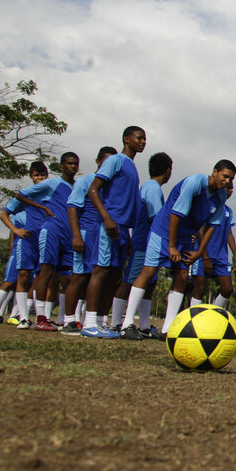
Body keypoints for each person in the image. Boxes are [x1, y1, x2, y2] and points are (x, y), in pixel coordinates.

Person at [119, 160, 236, 340]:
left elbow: (212, 226)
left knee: (181, 277)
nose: (227, 181)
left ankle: (168, 329)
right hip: (164, 231)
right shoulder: (194, 184)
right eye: (225, 176)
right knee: (148, 272)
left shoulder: (220, 196)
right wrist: (171, 246)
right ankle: (126, 324)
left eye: (231, 179)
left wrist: (198, 252)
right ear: (214, 172)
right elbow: (176, 214)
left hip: (185, 237)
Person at [82, 127, 145, 338]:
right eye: (139, 137)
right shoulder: (115, 160)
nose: (143, 142)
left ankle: (100, 322)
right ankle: (89, 322)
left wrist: (126, 235)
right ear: (126, 139)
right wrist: (107, 218)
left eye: (145, 138)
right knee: (100, 270)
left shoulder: (131, 166)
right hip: (109, 224)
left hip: (122, 228)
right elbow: (93, 189)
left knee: (113, 275)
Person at [110, 152, 172, 338]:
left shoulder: (150, 187)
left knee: (150, 284)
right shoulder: (152, 188)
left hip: (149, 244)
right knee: (130, 280)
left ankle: (144, 326)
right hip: (143, 242)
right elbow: (156, 219)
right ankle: (116, 323)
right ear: (168, 171)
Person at [17, 152, 80, 331]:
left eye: (75, 164)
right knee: (45, 272)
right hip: (51, 231)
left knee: (68, 277)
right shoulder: (52, 183)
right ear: (61, 165)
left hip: (69, 236)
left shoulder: (77, 186)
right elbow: (21, 195)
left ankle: (65, 319)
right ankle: (41, 318)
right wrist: (43, 206)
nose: (73, 167)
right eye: (69, 163)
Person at [64, 146, 118, 336]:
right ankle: (69, 321)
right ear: (98, 162)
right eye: (105, 161)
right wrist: (77, 236)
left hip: (103, 236)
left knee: (103, 277)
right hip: (86, 234)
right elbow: (72, 208)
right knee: (79, 277)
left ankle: (94, 320)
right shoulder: (86, 181)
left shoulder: (111, 185)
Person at [0, 161, 52, 329]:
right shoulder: (26, 195)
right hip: (27, 240)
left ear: (47, 176)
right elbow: (4, 214)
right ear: (31, 176)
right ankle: (22, 318)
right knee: (21, 276)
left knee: (39, 279)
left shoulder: (52, 194)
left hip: (45, 241)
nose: (40, 179)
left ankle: (36, 316)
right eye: (36, 175)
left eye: (43, 175)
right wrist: (16, 230)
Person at [190, 181, 236, 309]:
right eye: (228, 188)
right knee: (200, 288)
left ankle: (215, 313)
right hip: (202, 254)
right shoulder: (207, 206)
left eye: (232, 189)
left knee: (227, 289)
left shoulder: (228, 211)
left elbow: (229, 233)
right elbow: (200, 231)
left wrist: (235, 254)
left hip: (221, 256)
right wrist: (205, 256)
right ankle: (193, 319)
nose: (230, 191)